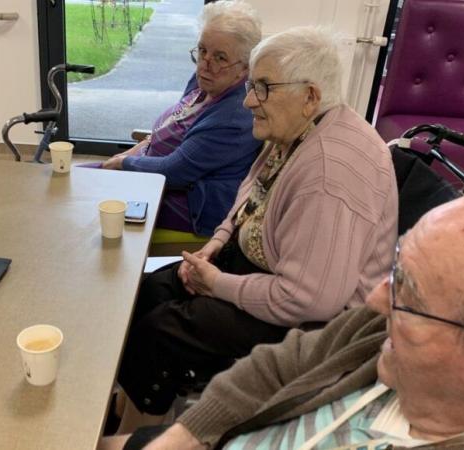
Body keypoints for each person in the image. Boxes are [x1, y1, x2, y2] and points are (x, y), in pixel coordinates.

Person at [113, 27, 398, 431]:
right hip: (272, 268)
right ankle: (131, 411)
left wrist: (217, 284)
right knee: (148, 293)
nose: (248, 101)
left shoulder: (327, 175)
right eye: (251, 86)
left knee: (163, 334)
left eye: (262, 88)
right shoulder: (300, 127)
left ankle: (136, 435)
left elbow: (309, 300)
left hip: (319, 325)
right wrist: (215, 246)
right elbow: (251, 193)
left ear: (310, 96)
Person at [103, 191, 464, 450]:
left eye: (409, 296)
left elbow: (305, 298)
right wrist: (187, 435)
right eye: (397, 270)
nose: (374, 299)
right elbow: (278, 365)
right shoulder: (379, 329)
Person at [94, 0, 263, 236]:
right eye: (203, 50)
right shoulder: (205, 83)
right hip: (155, 177)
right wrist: (135, 150)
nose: (205, 64)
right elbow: (172, 123)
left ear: (245, 68)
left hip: (189, 202)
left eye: (220, 58)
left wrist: (124, 163)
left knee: (90, 197)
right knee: (75, 178)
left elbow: (174, 172)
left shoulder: (234, 117)